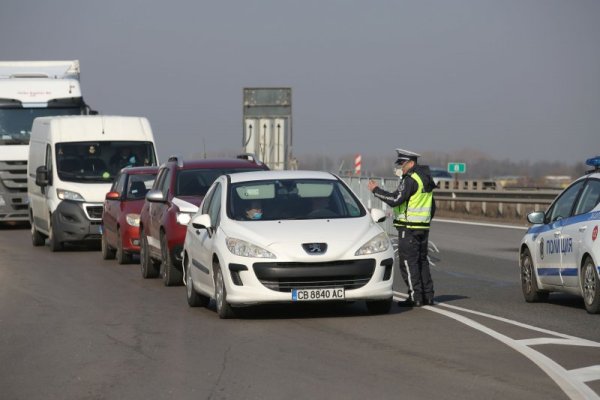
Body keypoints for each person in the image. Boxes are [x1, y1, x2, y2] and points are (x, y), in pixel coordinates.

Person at [367, 148, 437, 307]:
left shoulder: (410, 179)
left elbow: (395, 199)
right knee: (421, 261)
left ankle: (415, 297)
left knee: (408, 262)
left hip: (409, 228)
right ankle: (428, 295)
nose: (400, 166)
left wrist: (375, 190)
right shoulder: (425, 178)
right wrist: (424, 220)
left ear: (411, 163)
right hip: (423, 227)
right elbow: (432, 206)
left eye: (402, 163)